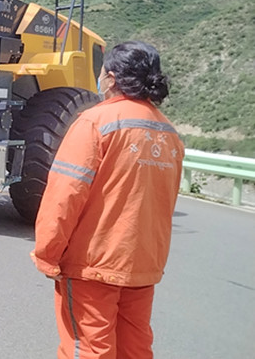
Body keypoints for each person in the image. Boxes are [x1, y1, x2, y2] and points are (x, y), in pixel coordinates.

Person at [31, 41, 185, 359]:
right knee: (135, 348)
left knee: (89, 348)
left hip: (94, 265)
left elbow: (65, 195)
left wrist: (48, 254)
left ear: (111, 79)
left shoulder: (95, 123)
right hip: (142, 265)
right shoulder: (169, 134)